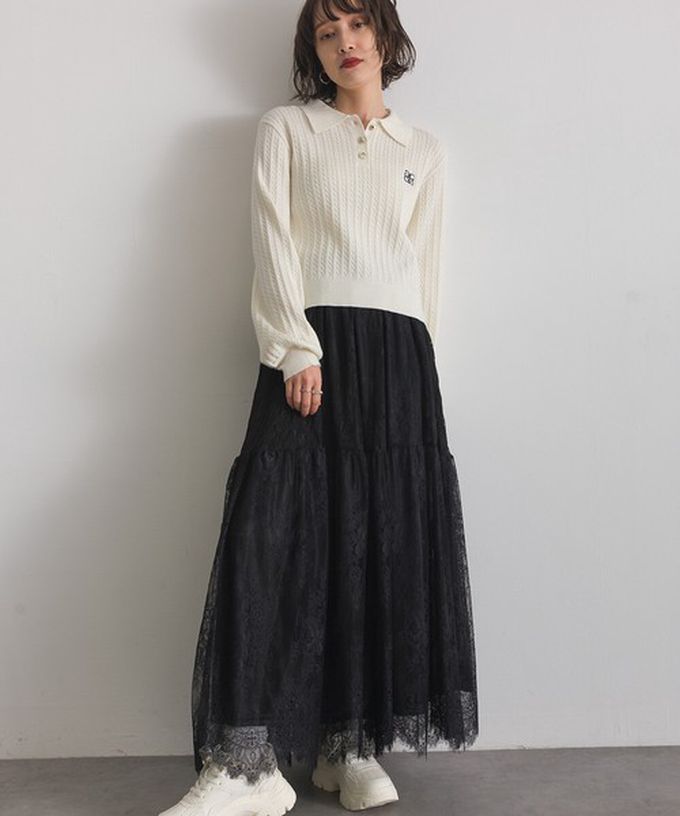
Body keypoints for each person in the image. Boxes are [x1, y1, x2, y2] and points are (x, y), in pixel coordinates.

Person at [158, 1, 478, 813]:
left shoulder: (425, 151)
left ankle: (351, 743)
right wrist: (294, 346)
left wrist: (419, 379)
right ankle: (248, 766)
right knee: (271, 538)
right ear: (314, 51)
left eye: (357, 25)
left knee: (377, 542)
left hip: (399, 358)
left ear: (385, 34)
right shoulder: (288, 129)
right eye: (326, 34)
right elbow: (271, 236)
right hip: (313, 344)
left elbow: (426, 271)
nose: (345, 44)